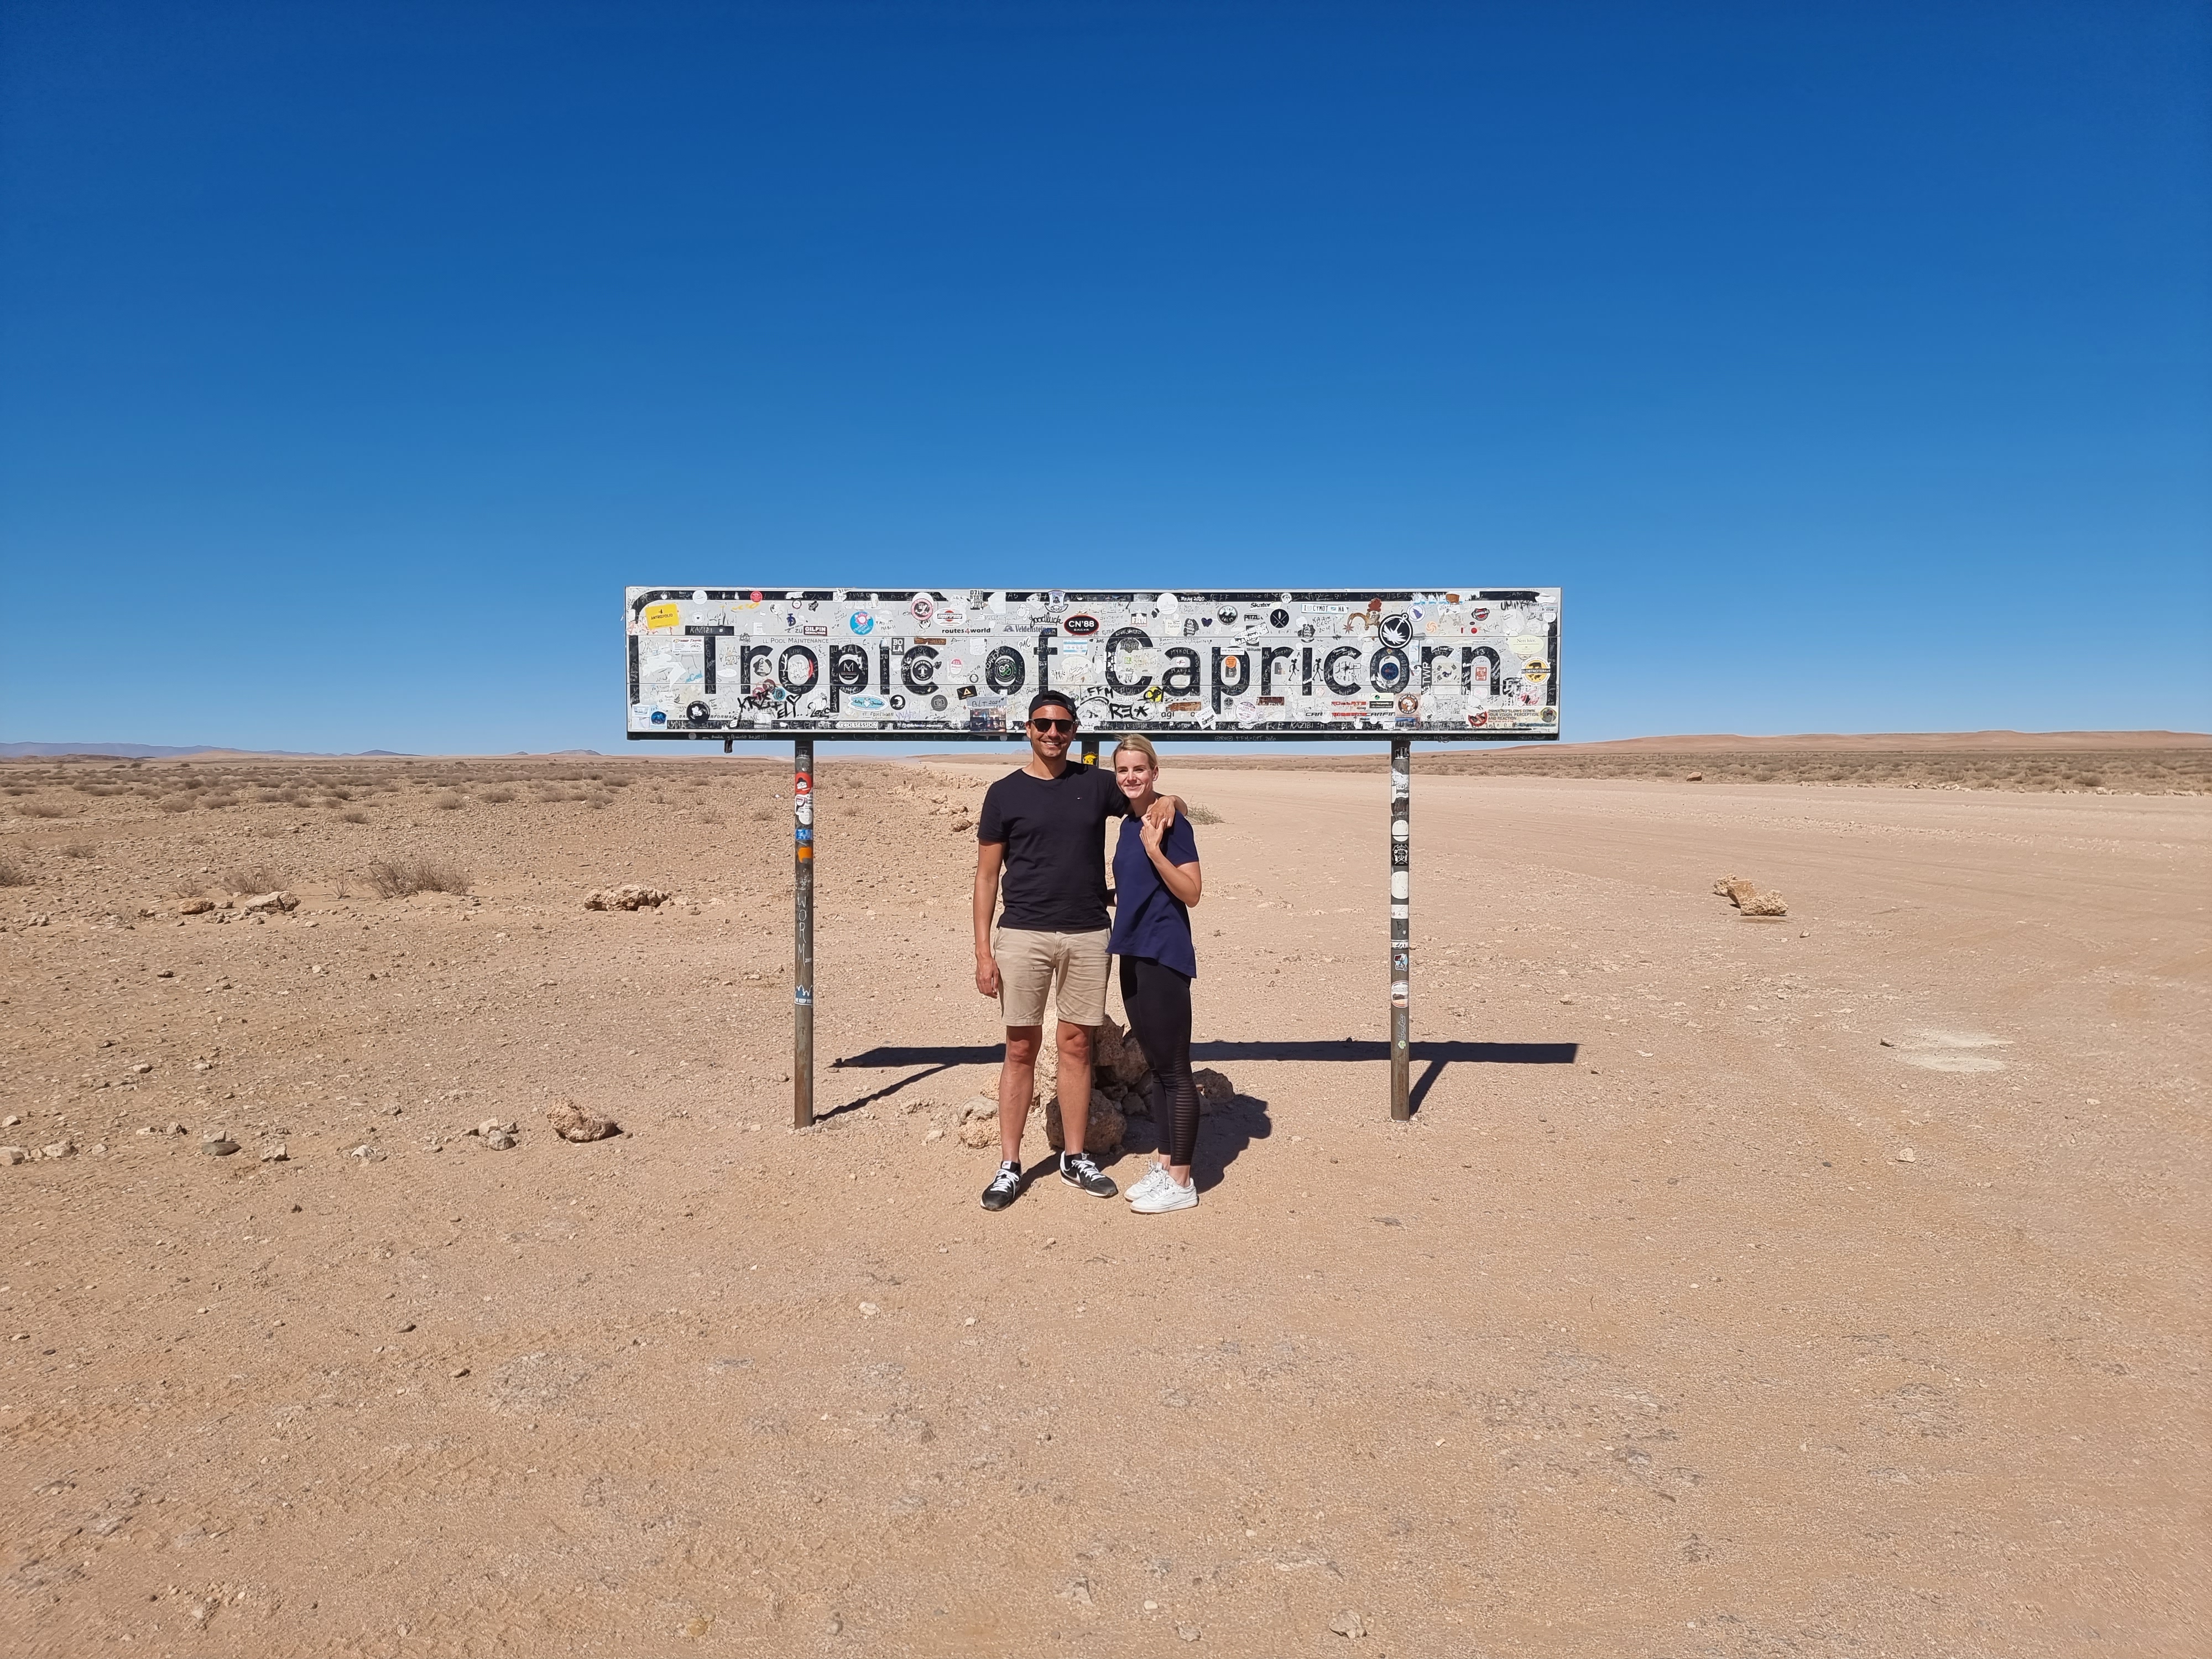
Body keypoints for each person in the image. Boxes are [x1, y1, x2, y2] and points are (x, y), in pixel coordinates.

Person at [973, 691, 1181, 1212]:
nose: (1053, 733)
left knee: (1077, 1045)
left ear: (1073, 731)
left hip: (1089, 934)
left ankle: (1074, 1156)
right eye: (1043, 724)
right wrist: (983, 951)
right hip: (1022, 935)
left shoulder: (1093, 784)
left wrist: (1171, 801)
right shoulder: (1003, 794)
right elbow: (986, 876)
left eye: (1063, 726)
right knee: (1019, 1047)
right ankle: (1010, 1164)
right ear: (1028, 728)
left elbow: (1142, 796)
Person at [1105, 736, 1206, 1214]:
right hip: (1132, 953)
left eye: (1139, 769)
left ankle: (1182, 1180)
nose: (1130, 777)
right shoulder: (1128, 824)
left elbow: (1192, 892)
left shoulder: (1169, 824)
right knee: (1158, 1066)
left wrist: (1156, 850)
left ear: (1155, 771)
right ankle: (1166, 1165)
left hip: (1164, 954)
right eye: (1123, 769)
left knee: (1176, 1070)